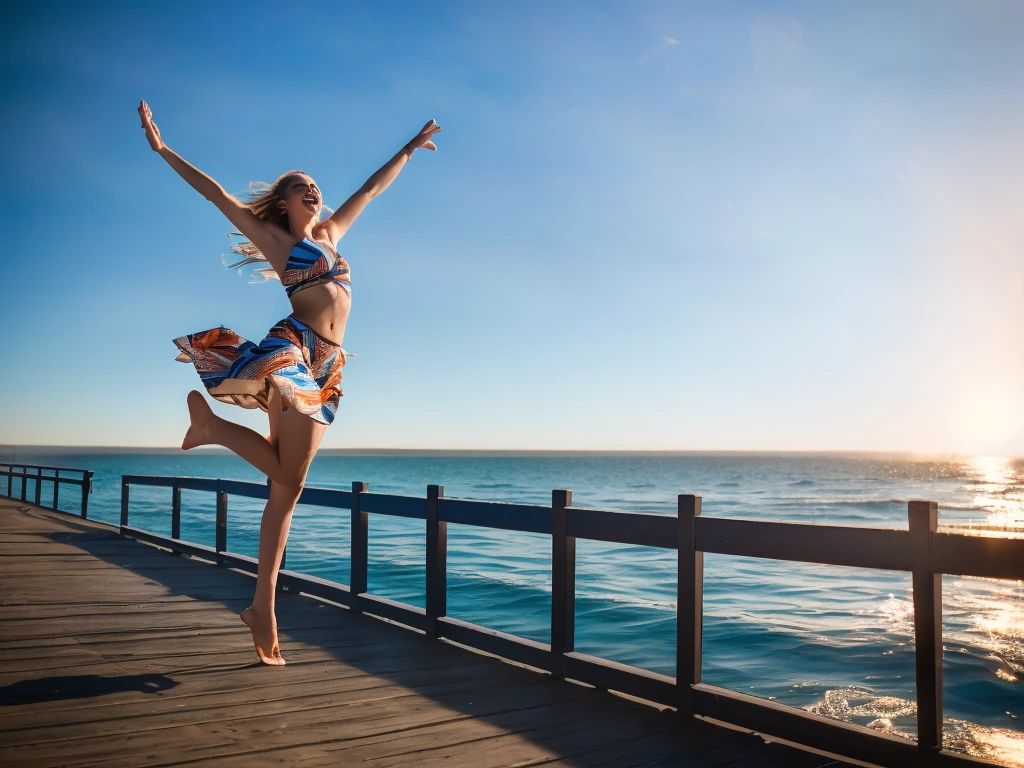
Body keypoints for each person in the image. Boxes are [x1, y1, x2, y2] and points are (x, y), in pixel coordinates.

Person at [138, 99, 441, 665]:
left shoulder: (330, 233)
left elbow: (371, 191)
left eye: (316, 184)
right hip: (293, 348)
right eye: (303, 185)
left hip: (329, 362)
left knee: (287, 487)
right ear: (284, 201)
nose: (315, 190)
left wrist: (405, 150)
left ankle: (261, 605)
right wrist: (162, 149)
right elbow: (217, 195)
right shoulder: (283, 243)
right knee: (288, 479)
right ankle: (216, 431)